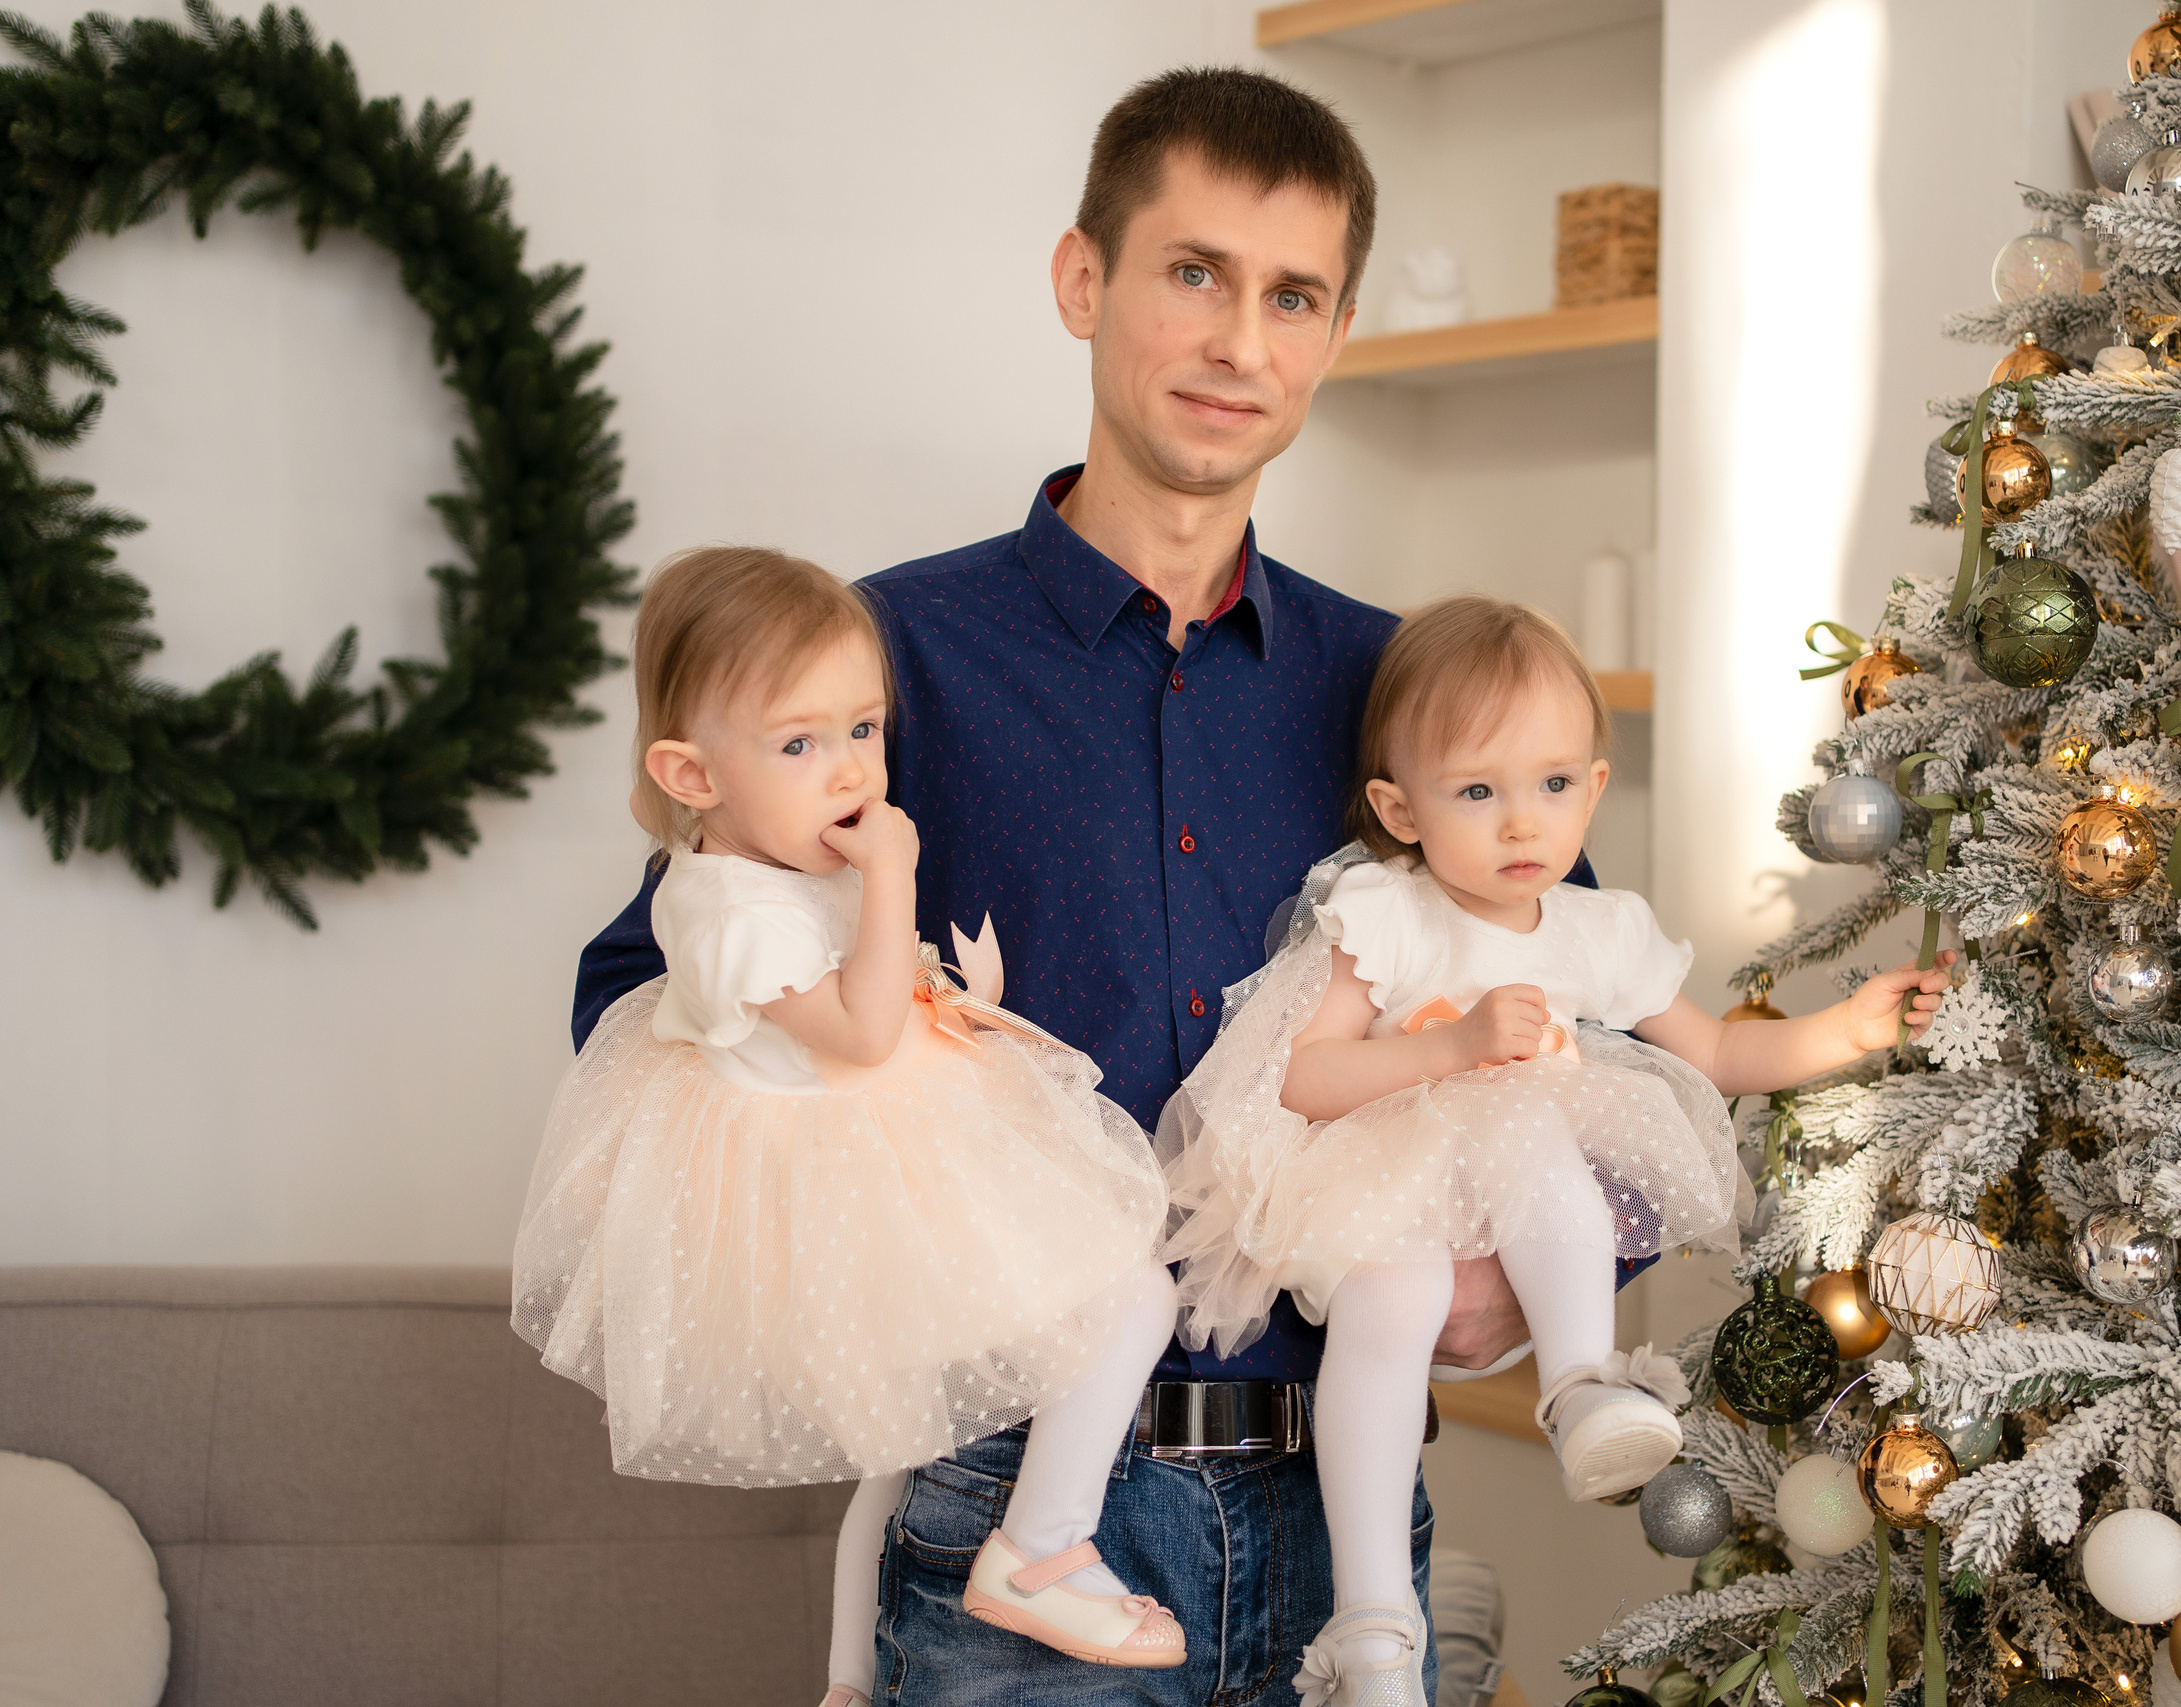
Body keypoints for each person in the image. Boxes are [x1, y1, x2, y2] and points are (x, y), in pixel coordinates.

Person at [569, 67, 1611, 1706]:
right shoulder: (875, 658)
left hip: (1343, 1525)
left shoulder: (1407, 688)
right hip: (1007, 1503)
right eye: (1192, 273)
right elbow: (646, 999)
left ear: (1333, 335)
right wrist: (851, 1254)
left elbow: (1582, 1000)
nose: (1238, 345)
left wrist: (1545, 1280)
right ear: (1084, 281)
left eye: (1292, 297)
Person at [1159, 598, 1955, 1700]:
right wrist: (1453, 1050)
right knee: (1391, 1306)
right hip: (1377, 1178)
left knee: (1542, 1147)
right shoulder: (1384, 912)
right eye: (1476, 793)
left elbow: (1717, 1051)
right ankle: (1374, 1622)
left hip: (1519, 1178)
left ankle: (1579, 1382)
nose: (1521, 825)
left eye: (1550, 786)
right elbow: (1298, 1074)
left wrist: (1847, 1031)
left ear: (1590, 783)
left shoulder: (1599, 928)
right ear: (1401, 808)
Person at [515, 548, 1189, 1701]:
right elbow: (868, 1030)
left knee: (906, 1437)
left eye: (865, 730)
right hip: (841, 1175)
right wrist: (897, 869)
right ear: (692, 771)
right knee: (1132, 1291)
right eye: (798, 744)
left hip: (877, 1152)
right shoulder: (732, 914)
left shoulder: (773, 867)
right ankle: (1037, 1550)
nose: (851, 773)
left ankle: (845, 1680)